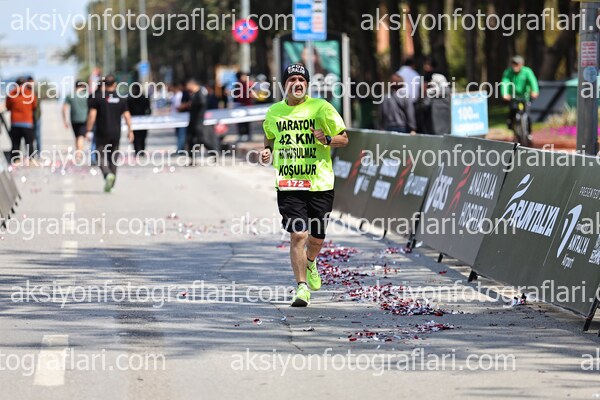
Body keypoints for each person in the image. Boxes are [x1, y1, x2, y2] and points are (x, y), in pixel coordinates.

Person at [261, 63, 349, 307]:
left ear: (307, 84)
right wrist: (267, 150)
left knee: (316, 238)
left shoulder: (321, 107)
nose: (297, 83)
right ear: (285, 84)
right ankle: (301, 288)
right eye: (292, 79)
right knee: (298, 234)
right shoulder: (274, 112)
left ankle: (311, 261)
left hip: (320, 183)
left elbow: (344, 139)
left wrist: (327, 138)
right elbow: (269, 136)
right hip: (289, 183)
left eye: (301, 79)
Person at [86, 74, 133, 192]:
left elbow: (92, 115)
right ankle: (111, 185)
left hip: (102, 132)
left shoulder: (98, 97)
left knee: (100, 155)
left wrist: (88, 130)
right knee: (113, 158)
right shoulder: (121, 98)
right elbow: (127, 116)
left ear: (104, 84)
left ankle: (107, 174)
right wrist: (130, 131)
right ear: (115, 84)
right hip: (116, 133)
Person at [500, 55, 539, 137]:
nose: (515, 66)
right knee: (512, 112)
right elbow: (505, 83)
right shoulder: (508, 72)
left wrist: (535, 91)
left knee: (528, 115)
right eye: (513, 64)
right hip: (513, 97)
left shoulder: (527, 71)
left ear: (521, 64)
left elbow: (533, 82)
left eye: (517, 64)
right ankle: (511, 125)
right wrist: (505, 94)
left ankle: (529, 133)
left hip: (525, 96)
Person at [5, 77, 37, 161]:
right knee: (29, 143)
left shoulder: (11, 94)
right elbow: (34, 106)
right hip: (27, 122)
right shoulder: (30, 93)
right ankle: (30, 160)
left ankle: (15, 160)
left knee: (15, 143)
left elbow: (8, 107)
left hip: (15, 122)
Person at [185, 79, 210, 163]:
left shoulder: (200, 94)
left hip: (198, 122)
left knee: (202, 139)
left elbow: (202, 103)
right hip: (192, 121)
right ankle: (192, 159)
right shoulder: (193, 94)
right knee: (190, 140)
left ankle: (215, 152)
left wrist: (192, 104)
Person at [62, 81, 89, 156]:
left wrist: (65, 121)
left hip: (73, 119)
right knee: (81, 137)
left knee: (77, 136)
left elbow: (64, 108)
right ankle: (79, 154)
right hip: (84, 119)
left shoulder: (70, 95)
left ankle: (78, 152)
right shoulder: (87, 95)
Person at [127, 83, 151, 156]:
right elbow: (149, 110)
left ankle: (137, 151)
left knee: (136, 136)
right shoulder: (144, 98)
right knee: (142, 136)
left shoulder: (130, 99)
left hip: (133, 120)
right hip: (143, 120)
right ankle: (141, 151)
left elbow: (127, 110)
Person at [233, 71, 253, 142]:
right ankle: (242, 134)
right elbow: (237, 96)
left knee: (247, 121)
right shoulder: (238, 84)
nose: (245, 77)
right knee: (240, 121)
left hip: (246, 105)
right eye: (243, 76)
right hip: (240, 105)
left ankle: (247, 134)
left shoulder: (247, 84)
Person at [171, 81, 190, 154]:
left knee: (182, 134)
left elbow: (183, 105)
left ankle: (180, 150)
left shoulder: (181, 94)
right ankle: (181, 149)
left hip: (182, 118)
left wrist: (180, 107)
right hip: (175, 117)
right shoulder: (174, 95)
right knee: (178, 134)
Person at [27, 77, 41, 154]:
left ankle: (39, 153)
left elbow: (37, 105)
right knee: (29, 137)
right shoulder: (26, 92)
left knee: (37, 136)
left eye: (32, 82)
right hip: (28, 118)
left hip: (37, 117)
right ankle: (31, 153)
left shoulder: (36, 92)